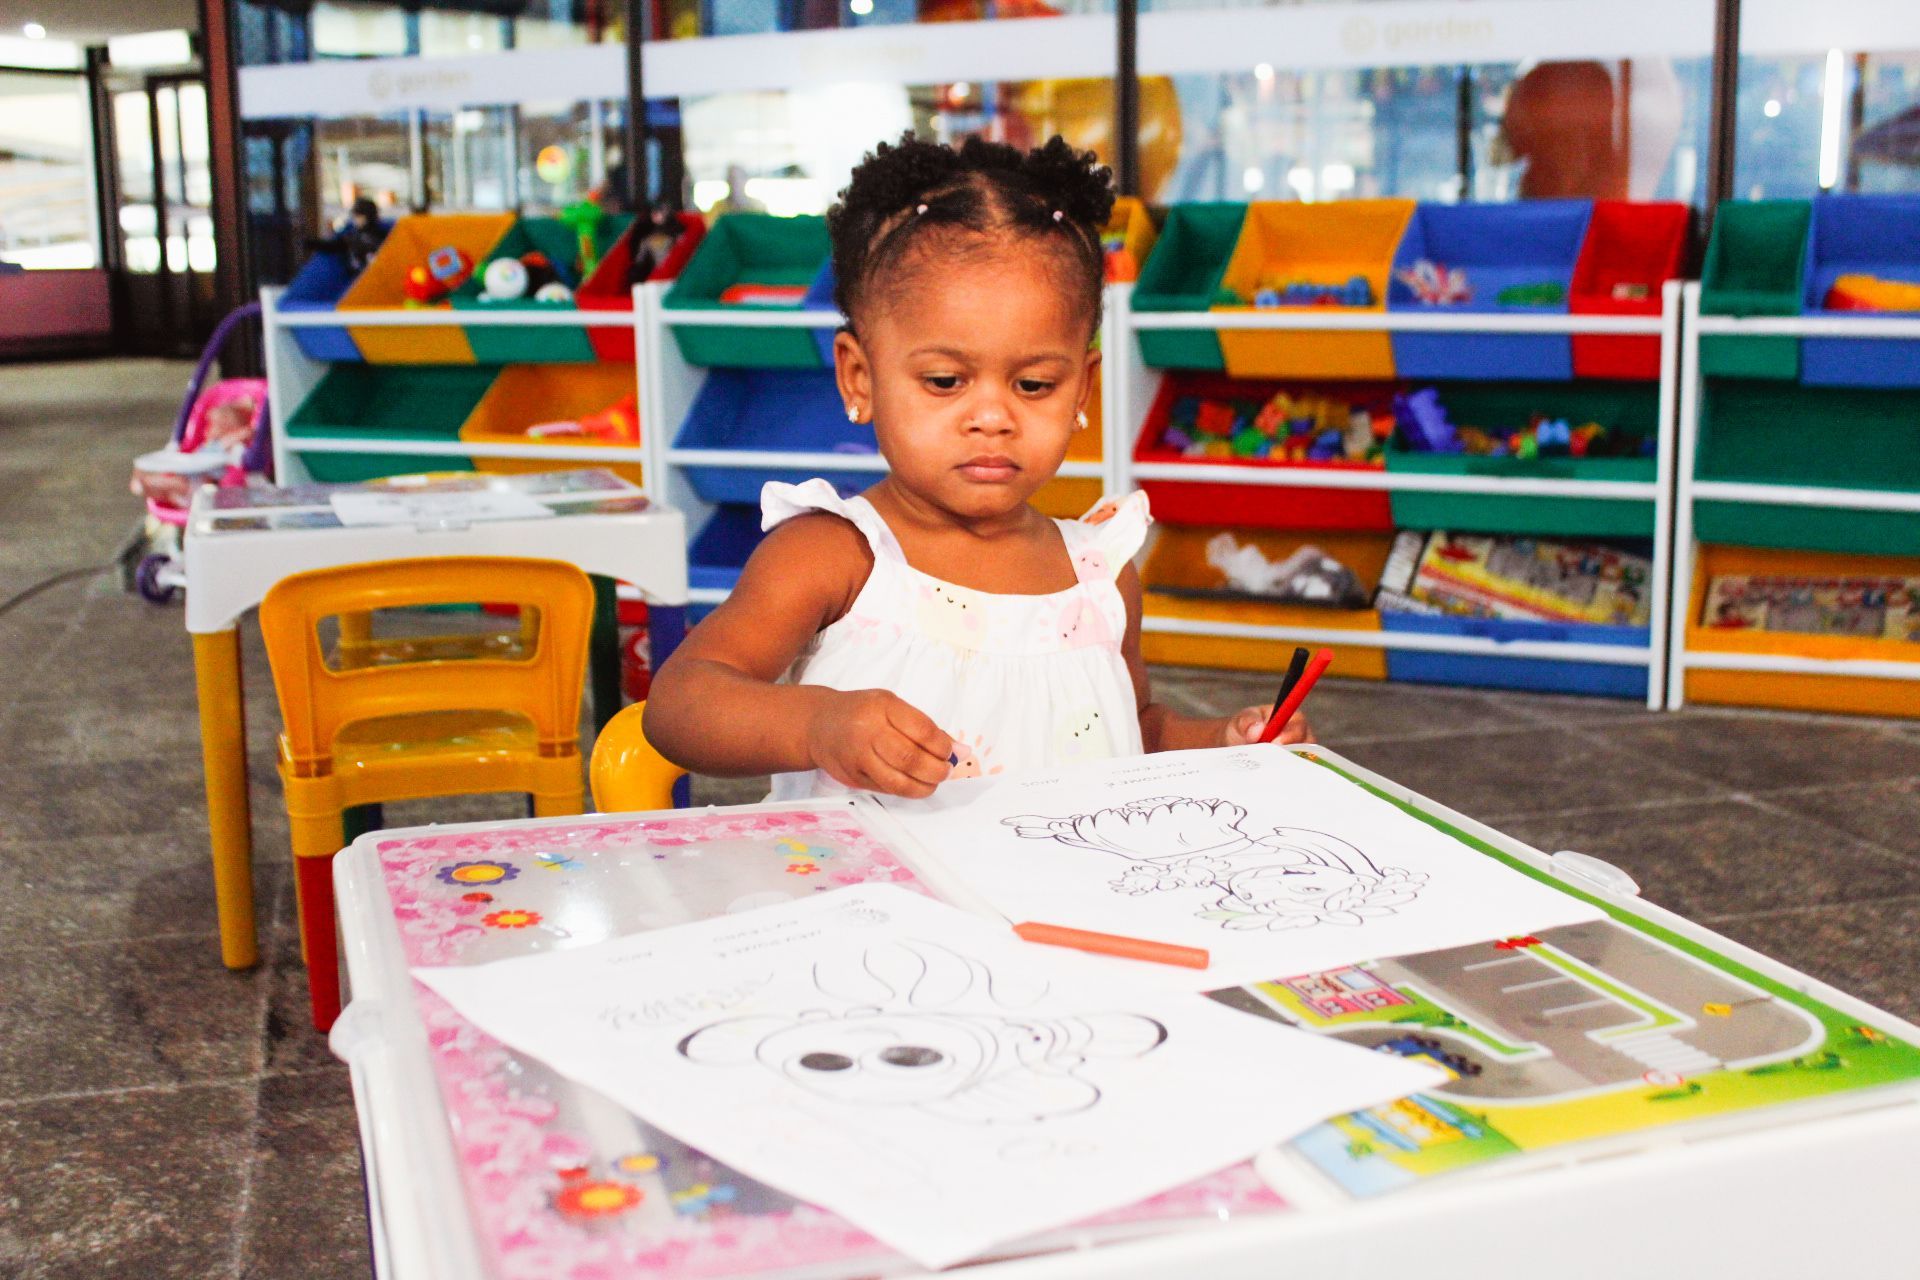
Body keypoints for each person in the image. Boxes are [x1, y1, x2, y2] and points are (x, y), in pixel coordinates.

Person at [646, 133, 1313, 800]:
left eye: (1033, 386)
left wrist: (1228, 743)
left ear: (1082, 388)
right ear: (859, 378)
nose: (992, 417)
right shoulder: (836, 555)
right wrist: (817, 722)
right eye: (944, 381)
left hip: (1048, 900)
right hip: (876, 897)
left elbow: (1128, 731)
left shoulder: (1099, 576)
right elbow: (681, 702)